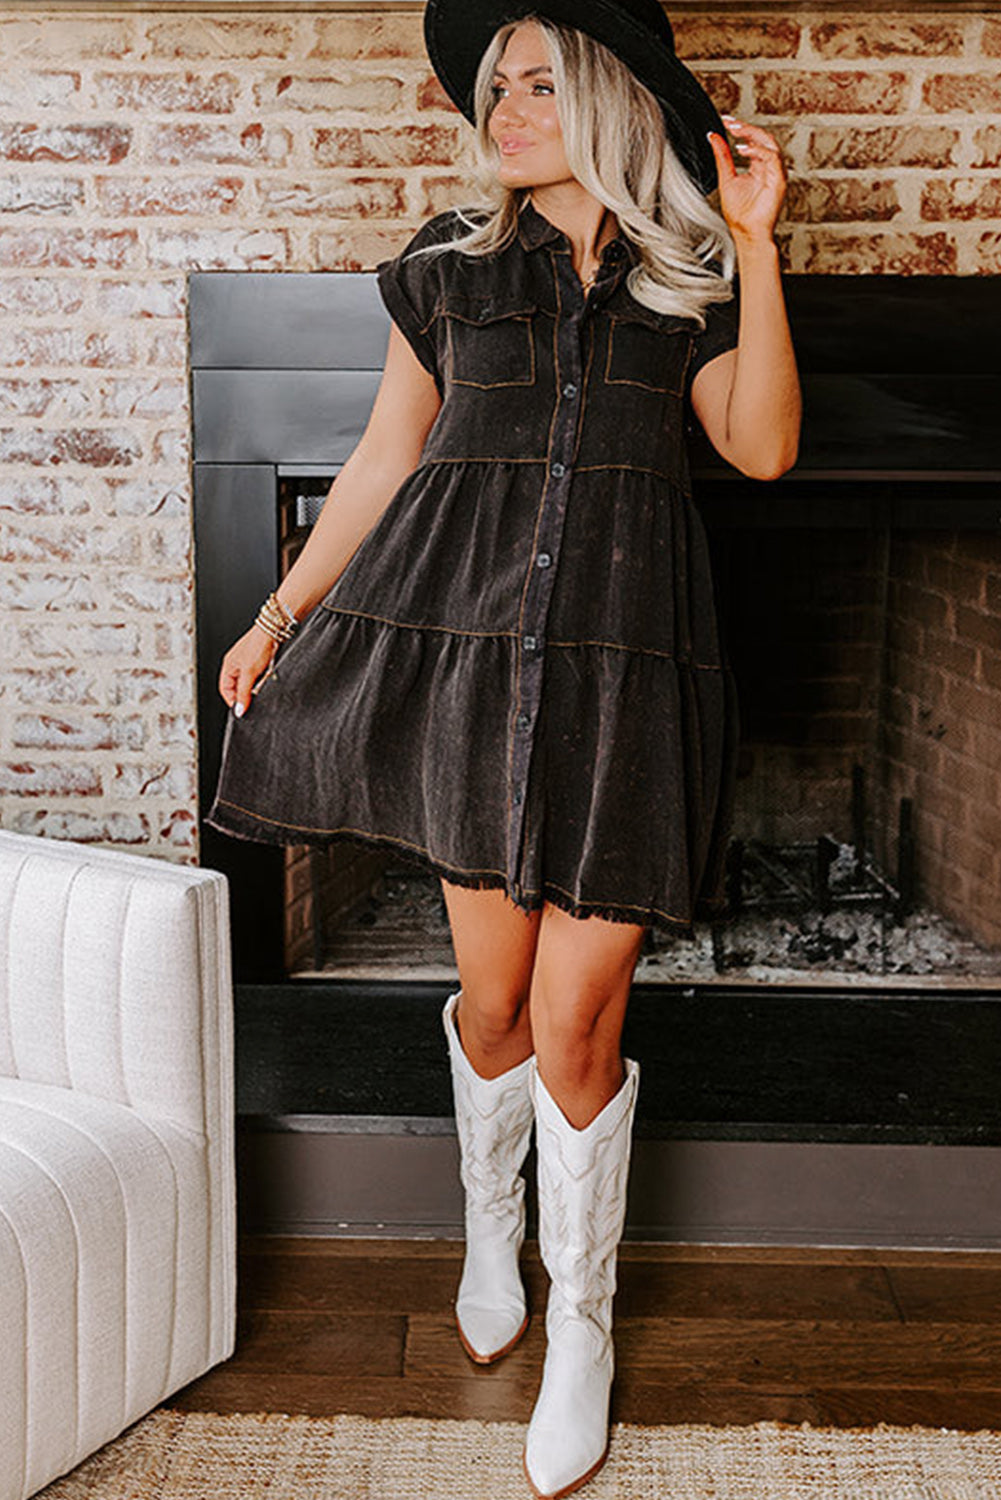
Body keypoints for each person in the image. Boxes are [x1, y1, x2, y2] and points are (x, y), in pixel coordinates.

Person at [207, 2, 800, 1494]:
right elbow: (384, 457)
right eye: (494, 89)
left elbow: (762, 447)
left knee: (576, 1021)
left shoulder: (686, 276)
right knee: (492, 1006)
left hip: (625, 686)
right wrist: (278, 613)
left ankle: (579, 1320)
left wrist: (756, 242)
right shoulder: (448, 273)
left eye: (538, 84)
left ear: (606, 99)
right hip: (470, 675)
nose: (504, 110)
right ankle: (490, 1225)